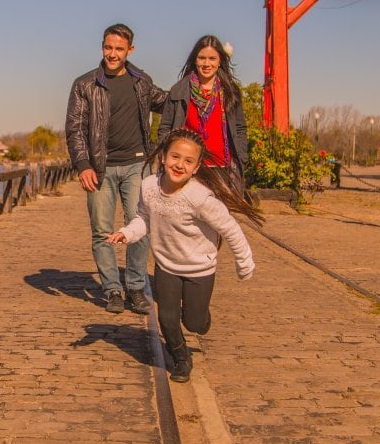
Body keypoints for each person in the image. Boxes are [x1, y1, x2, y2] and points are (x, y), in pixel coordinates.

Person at [108, 128, 261, 383]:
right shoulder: (148, 187)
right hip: (166, 265)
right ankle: (180, 358)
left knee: (194, 322)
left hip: (199, 269)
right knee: (167, 318)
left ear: (197, 167)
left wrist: (244, 262)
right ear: (164, 157)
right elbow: (144, 219)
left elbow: (230, 228)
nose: (179, 165)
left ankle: (202, 318)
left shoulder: (200, 197)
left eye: (188, 161)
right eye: (175, 157)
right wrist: (127, 233)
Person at [66, 23, 167, 315]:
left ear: (130, 50)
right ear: (102, 47)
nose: (112, 54)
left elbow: (168, 102)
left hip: (138, 165)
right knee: (101, 231)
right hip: (100, 169)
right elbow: (74, 129)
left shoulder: (141, 82)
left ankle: (135, 287)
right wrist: (83, 165)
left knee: (141, 227)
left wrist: (199, 89)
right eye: (108, 47)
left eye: (119, 49)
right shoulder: (84, 84)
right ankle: (112, 289)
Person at [158, 35, 248, 190]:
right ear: (195, 60)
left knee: (219, 214)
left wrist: (242, 157)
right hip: (187, 168)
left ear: (220, 61)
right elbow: (165, 127)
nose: (207, 64)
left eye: (212, 58)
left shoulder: (229, 92)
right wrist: (166, 155)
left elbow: (240, 128)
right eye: (202, 58)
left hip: (222, 168)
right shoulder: (179, 90)